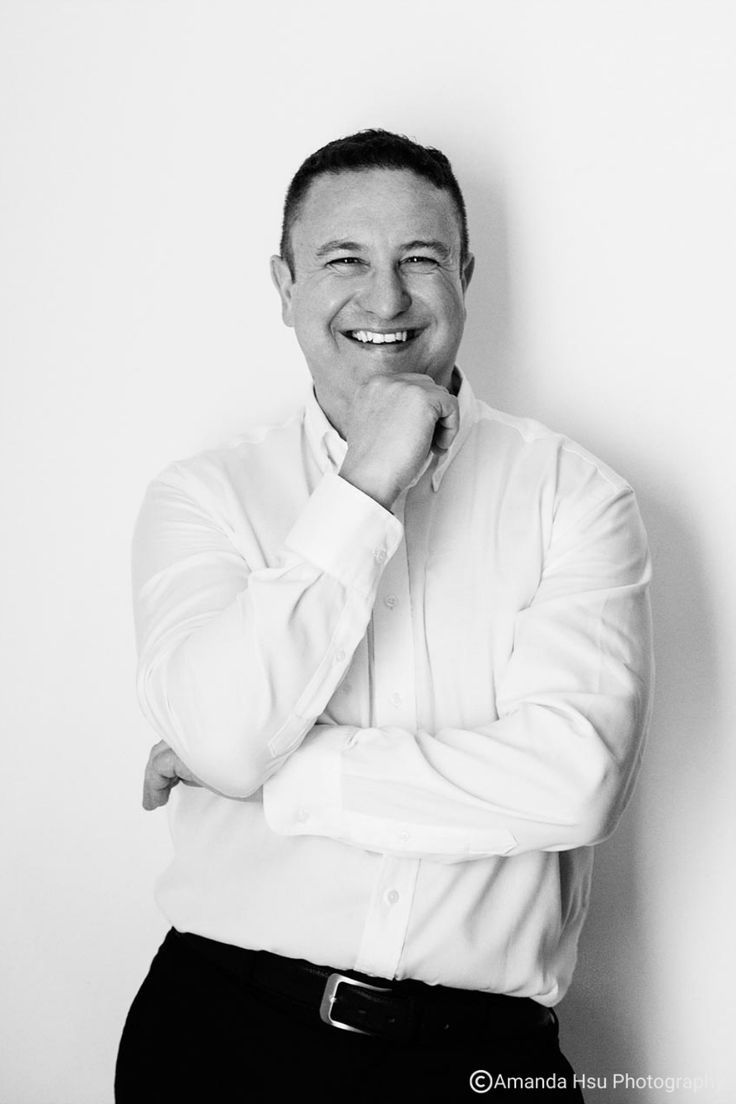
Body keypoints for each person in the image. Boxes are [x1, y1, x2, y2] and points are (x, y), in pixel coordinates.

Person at [115, 129, 653, 1102]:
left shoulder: (577, 496)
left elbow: (577, 781)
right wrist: (366, 483)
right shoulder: (202, 498)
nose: (386, 298)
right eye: (343, 261)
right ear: (283, 284)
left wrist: (278, 775)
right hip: (224, 1038)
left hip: (482, 1065)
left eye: (418, 258)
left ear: (465, 274)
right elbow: (224, 740)